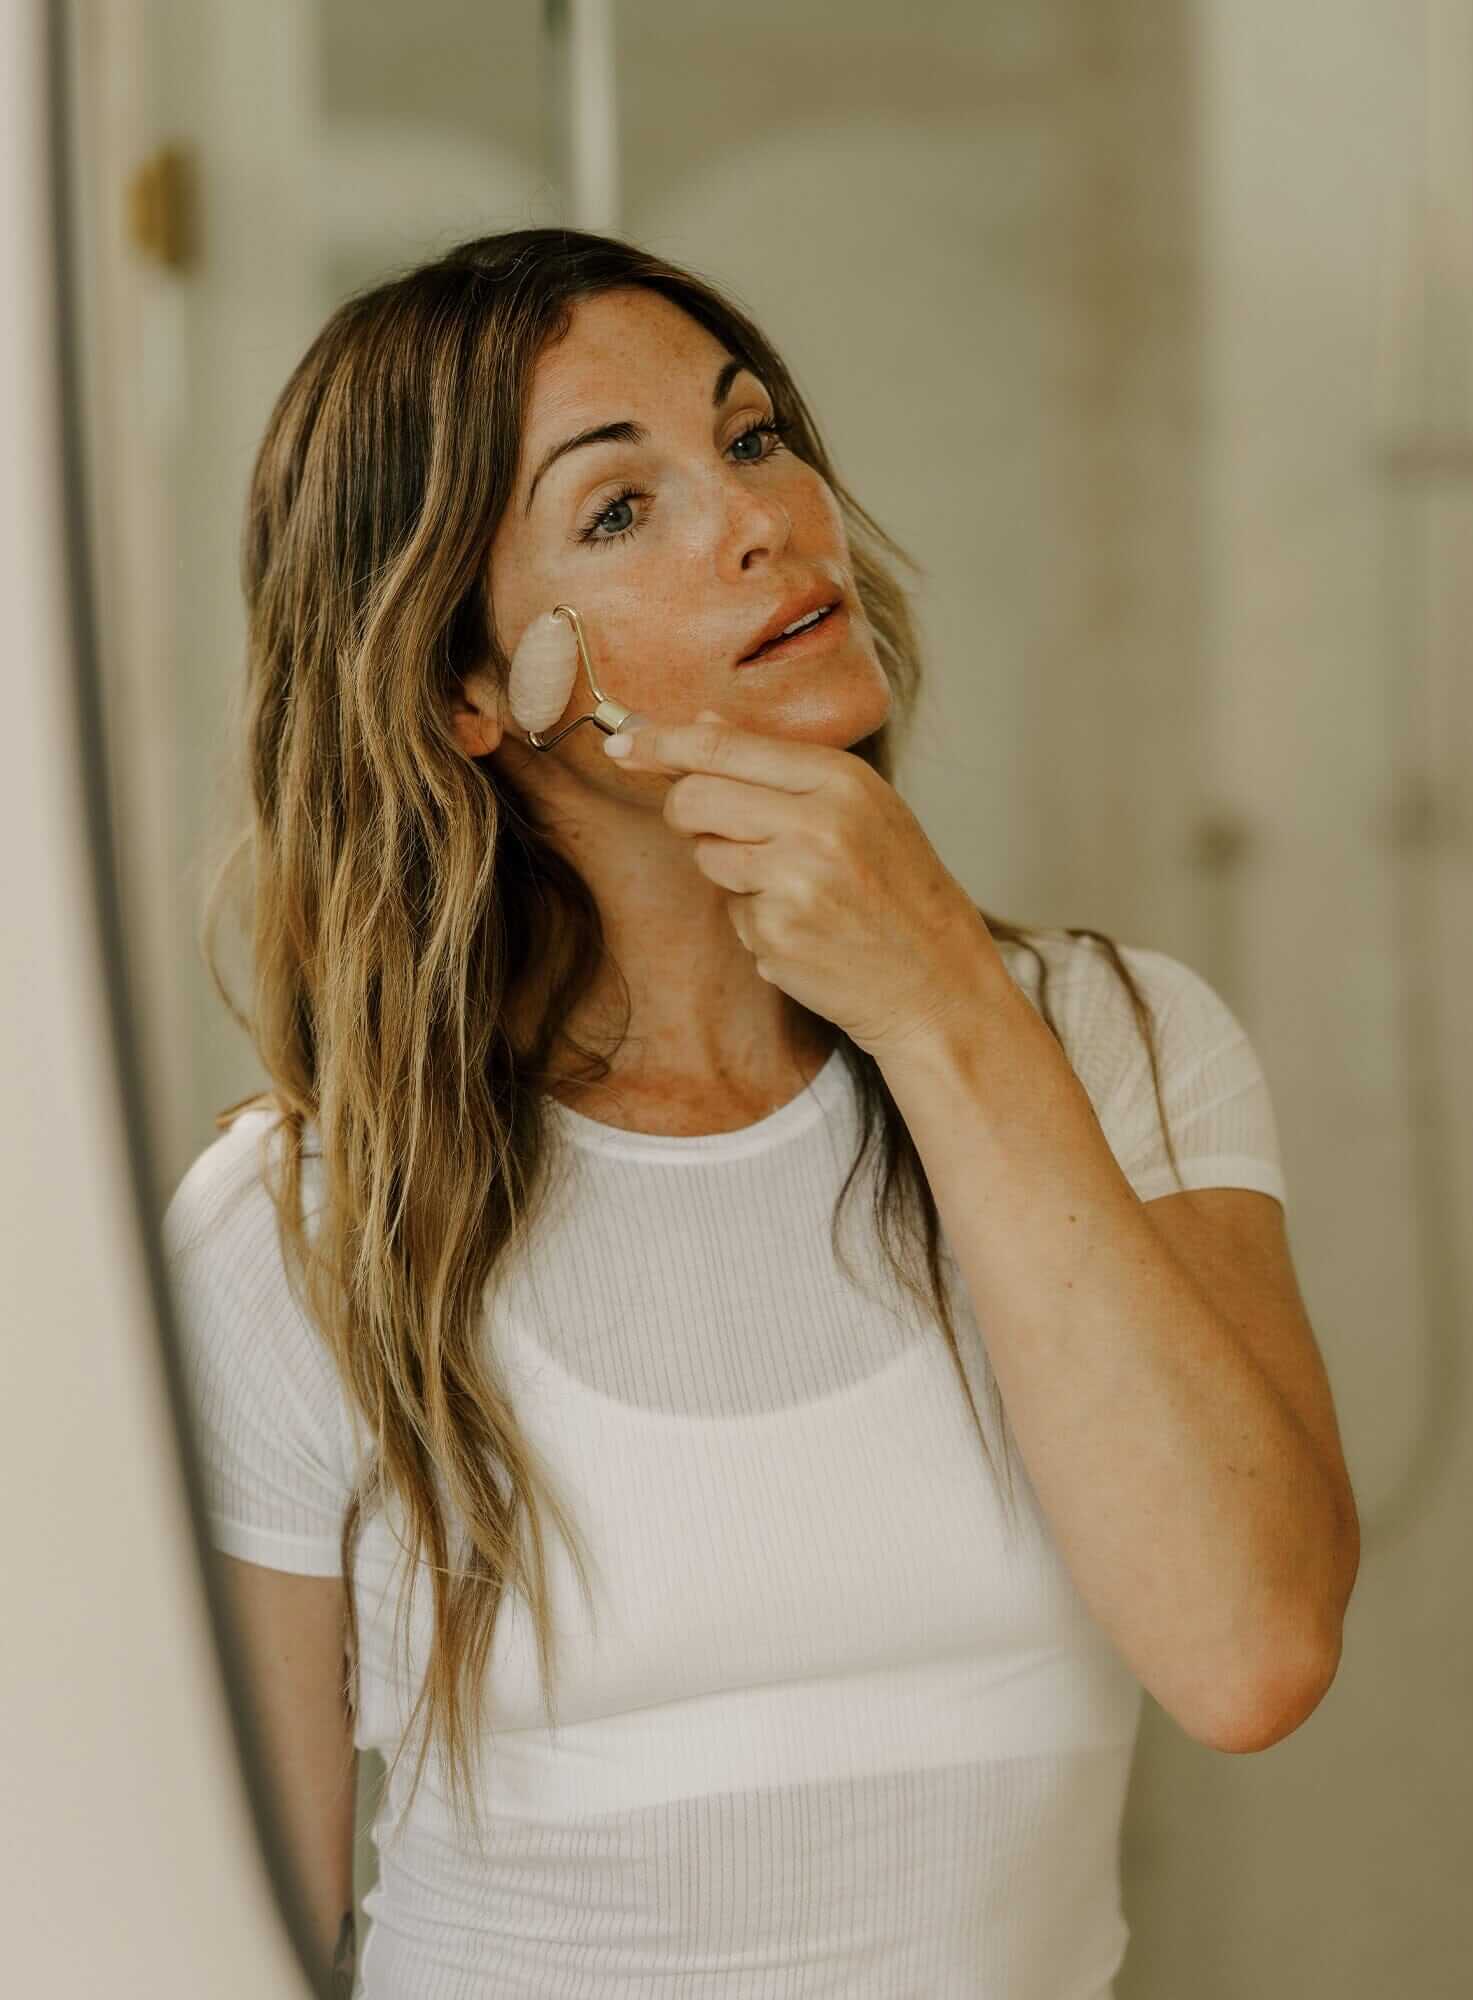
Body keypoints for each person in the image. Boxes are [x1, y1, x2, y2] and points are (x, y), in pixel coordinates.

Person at [163, 228, 1349, 1998]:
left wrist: (944, 1006)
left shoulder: (1119, 1048)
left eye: (753, 435)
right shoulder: (306, 1228)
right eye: (617, 509)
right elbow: (216, 1940)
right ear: (471, 690)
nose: (760, 519)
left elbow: (1253, 1653)